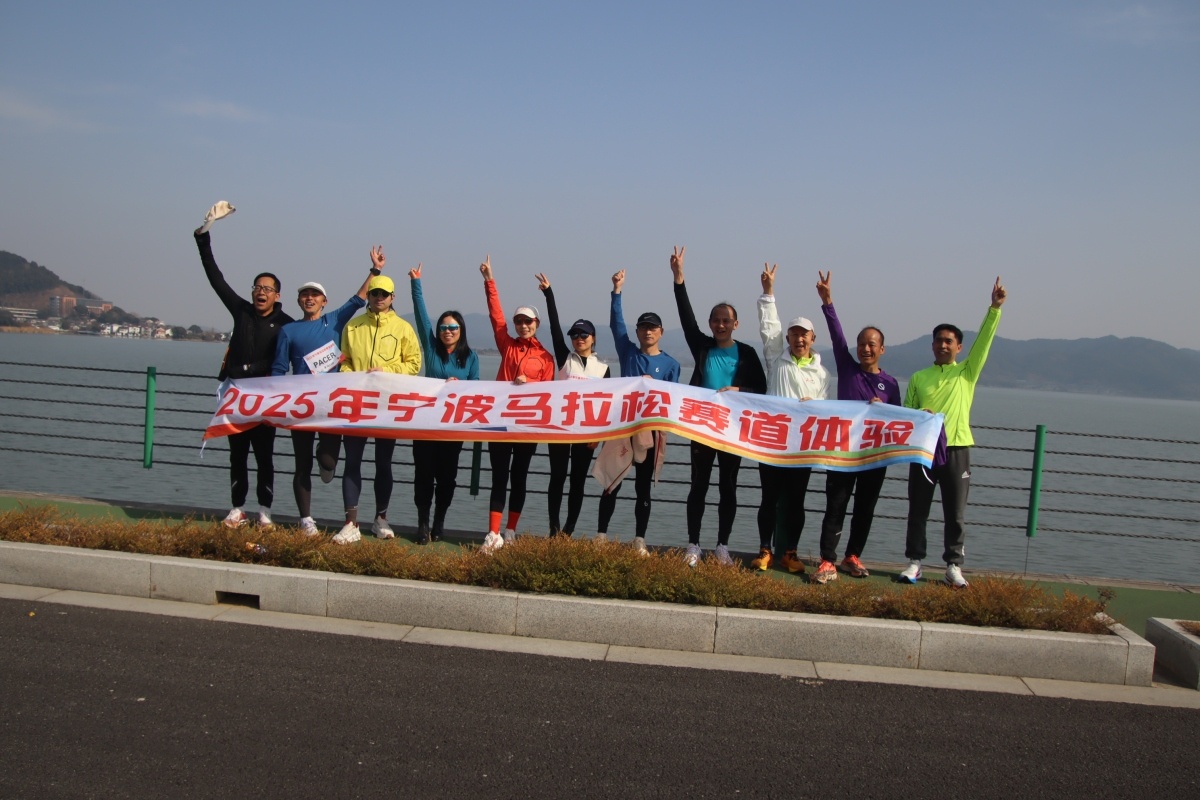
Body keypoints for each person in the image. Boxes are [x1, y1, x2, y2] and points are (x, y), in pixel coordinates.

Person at [901, 277, 1008, 588]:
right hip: (923, 450)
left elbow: (985, 341)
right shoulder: (919, 377)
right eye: (938, 340)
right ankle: (914, 562)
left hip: (958, 449)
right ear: (932, 345)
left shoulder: (967, 372)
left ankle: (953, 566)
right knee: (917, 509)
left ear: (959, 347)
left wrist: (995, 309)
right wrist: (919, 415)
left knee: (955, 513)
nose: (943, 345)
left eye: (949, 341)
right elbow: (907, 415)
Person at [193, 203, 293, 529]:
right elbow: (215, 278)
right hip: (236, 396)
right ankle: (237, 508)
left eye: (267, 289)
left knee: (265, 457)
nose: (261, 293)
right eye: (257, 288)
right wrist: (204, 234)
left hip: (265, 400)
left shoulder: (286, 324)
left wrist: (247, 371)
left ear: (278, 296)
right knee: (237, 455)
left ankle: (264, 511)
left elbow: (292, 357)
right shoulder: (242, 311)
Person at [270, 247, 380, 535]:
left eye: (314, 295)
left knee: (328, 461)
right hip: (301, 407)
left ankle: (326, 456)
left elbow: (357, 300)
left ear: (324, 301)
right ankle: (306, 519)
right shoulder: (289, 331)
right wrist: (271, 399)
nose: (309, 298)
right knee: (301, 463)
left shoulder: (333, 320)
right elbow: (279, 369)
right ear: (298, 300)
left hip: (331, 405)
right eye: (305, 295)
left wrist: (375, 271)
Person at [671, 246, 767, 566]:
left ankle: (722, 545)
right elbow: (686, 320)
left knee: (728, 486)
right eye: (716, 320)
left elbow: (762, 390)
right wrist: (679, 279)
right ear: (711, 323)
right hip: (701, 426)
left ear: (736, 324)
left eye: (727, 320)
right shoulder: (702, 347)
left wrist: (740, 389)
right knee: (698, 484)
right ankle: (694, 544)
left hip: (732, 430)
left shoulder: (748, 354)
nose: (721, 324)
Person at [814, 269, 901, 581]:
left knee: (865, 508)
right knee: (835, 505)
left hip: (874, 457)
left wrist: (886, 410)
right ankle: (827, 560)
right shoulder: (848, 369)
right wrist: (828, 302)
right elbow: (837, 336)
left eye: (872, 344)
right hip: (842, 451)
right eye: (862, 344)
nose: (866, 348)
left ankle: (852, 556)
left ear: (882, 349)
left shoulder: (890, 384)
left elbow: (898, 422)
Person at [331, 268, 422, 544]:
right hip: (356, 405)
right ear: (368, 296)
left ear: (393, 297)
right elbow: (343, 361)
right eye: (374, 293)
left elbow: (414, 364)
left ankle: (381, 519)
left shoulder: (403, 328)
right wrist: (355, 376)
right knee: (353, 462)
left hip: (388, 406)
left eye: (384, 293)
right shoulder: (353, 326)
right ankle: (350, 522)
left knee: (384, 463)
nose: (378, 297)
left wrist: (386, 371)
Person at [595, 268, 681, 552]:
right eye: (643, 327)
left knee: (643, 487)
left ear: (661, 332)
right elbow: (615, 325)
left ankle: (639, 539)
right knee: (611, 482)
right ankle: (601, 535)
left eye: (652, 328)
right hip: (622, 426)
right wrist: (617, 291)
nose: (647, 331)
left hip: (649, 432)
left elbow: (672, 402)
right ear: (638, 332)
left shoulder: (671, 365)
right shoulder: (628, 352)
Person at [753, 264, 829, 577]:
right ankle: (765, 550)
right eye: (794, 334)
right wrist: (768, 292)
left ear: (813, 338)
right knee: (768, 499)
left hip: (801, 448)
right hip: (772, 442)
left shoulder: (821, 373)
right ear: (788, 338)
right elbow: (768, 327)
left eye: (804, 335)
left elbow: (825, 409)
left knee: (796, 502)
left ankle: (790, 553)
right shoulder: (776, 358)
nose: (799, 339)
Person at [479, 256, 556, 553]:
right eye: (519, 321)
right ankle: (493, 533)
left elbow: (549, 393)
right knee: (499, 476)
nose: (523, 326)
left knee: (519, 477)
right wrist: (489, 279)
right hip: (499, 422)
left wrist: (531, 384)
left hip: (527, 425)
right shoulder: (507, 345)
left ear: (537, 324)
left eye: (528, 321)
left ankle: (510, 530)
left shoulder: (546, 358)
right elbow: (495, 316)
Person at [408, 263, 480, 544]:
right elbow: (421, 316)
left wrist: (459, 386)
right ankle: (422, 524)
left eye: (453, 327)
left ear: (461, 330)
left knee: (448, 478)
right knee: (423, 475)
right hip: (426, 424)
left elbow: (475, 388)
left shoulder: (471, 357)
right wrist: (416, 283)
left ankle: (440, 522)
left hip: (453, 427)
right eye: (443, 327)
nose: (447, 331)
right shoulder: (431, 348)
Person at [537, 272, 610, 539]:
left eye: (584, 334)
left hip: (586, 434)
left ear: (593, 338)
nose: (578, 338)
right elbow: (555, 326)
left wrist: (600, 435)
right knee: (557, 478)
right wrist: (549, 293)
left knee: (578, 482)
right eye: (575, 334)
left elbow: (607, 405)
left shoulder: (603, 368)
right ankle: (553, 529)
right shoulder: (563, 358)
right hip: (558, 428)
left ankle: (569, 530)